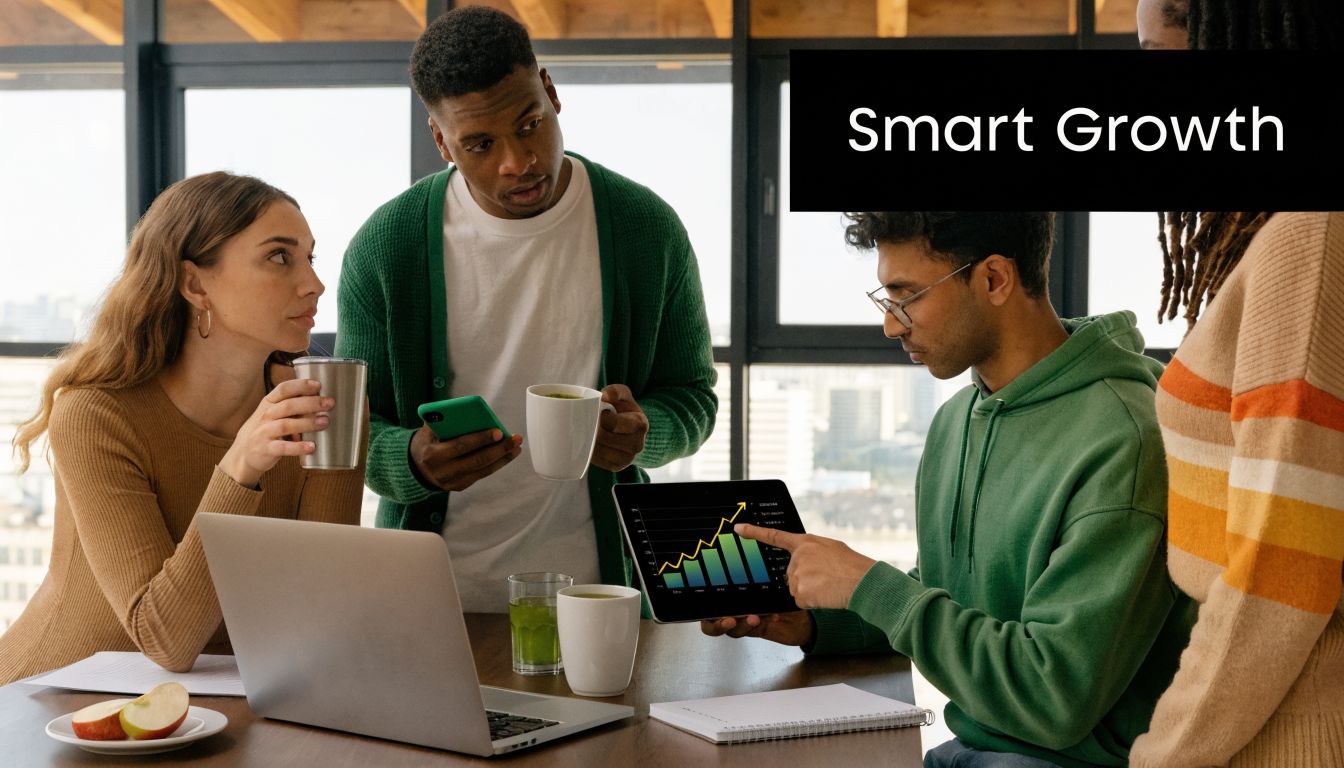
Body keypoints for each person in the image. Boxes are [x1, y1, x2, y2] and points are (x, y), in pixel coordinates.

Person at [703, 212, 1196, 767]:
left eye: (906, 295)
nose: (891, 325)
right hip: (975, 747)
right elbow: (945, 597)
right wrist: (817, 621)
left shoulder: (1123, 442)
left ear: (993, 279)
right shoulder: (959, 418)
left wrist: (869, 584)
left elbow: (1053, 698)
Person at [334, 6, 717, 612]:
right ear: (441, 141)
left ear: (552, 93)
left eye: (530, 123)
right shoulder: (388, 247)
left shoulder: (646, 229)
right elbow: (354, 431)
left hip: (603, 597)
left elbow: (693, 398)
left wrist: (644, 436)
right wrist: (412, 461)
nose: (519, 161)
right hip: (429, 599)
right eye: (480, 144)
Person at [0, 172, 365, 685]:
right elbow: (165, 638)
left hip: (227, 697)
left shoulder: (321, 402)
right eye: (280, 257)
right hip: (60, 701)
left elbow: (319, 603)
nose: (314, 284)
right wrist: (241, 467)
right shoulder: (95, 414)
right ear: (195, 284)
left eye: (310, 258)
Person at [1124, 212, 1343, 767]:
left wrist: (1163, 755)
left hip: (1290, 726)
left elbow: (1277, 572)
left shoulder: (1309, 241)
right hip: (1272, 706)